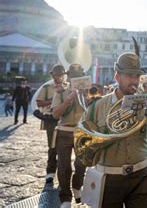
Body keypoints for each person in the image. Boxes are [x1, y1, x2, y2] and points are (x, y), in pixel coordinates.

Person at [83, 52, 147, 207]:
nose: (134, 81)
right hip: (109, 178)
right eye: (129, 76)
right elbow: (85, 141)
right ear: (117, 77)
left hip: (140, 175)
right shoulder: (97, 106)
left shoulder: (145, 103)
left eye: (136, 76)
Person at [52, 64, 87, 207]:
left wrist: (82, 96)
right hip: (64, 132)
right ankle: (65, 198)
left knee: (82, 164)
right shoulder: (60, 92)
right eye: (73, 76)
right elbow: (55, 114)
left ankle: (77, 186)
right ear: (69, 77)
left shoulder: (87, 92)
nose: (75, 78)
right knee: (64, 166)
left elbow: (88, 112)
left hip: (81, 132)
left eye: (78, 76)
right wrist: (68, 98)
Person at [36, 64, 66, 187]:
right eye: (56, 75)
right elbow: (39, 103)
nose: (59, 77)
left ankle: (63, 174)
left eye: (61, 75)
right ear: (53, 75)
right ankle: (50, 173)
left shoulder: (68, 87)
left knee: (64, 149)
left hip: (65, 120)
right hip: (51, 120)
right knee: (52, 147)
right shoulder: (47, 87)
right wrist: (55, 100)